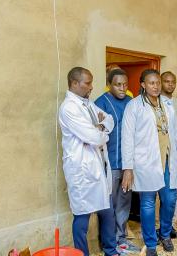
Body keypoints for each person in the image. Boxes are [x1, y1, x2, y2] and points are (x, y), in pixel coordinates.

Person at [121, 69, 177, 256]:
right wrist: (128, 168)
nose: (156, 86)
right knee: (147, 203)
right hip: (146, 162)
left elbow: (176, 134)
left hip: (167, 160)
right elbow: (127, 138)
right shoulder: (134, 106)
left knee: (169, 200)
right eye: (151, 83)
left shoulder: (167, 105)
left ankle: (165, 234)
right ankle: (151, 243)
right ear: (143, 85)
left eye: (157, 83)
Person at [58, 67, 120, 256]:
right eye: (88, 83)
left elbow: (109, 120)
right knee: (82, 217)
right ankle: (81, 254)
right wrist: (99, 132)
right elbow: (93, 137)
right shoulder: (69, 107)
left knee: (107, 211)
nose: (91, 87)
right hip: (82, 170)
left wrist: (99, 126)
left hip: (99, 166)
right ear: (74, 83)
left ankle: (111, 250)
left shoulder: (88, 104)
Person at [94, 69, 140, 254]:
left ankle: (121, 239)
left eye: (125, 84)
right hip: (110, 162)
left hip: (127, 163)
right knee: (108, 205)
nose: (122, 88)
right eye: (117, 84)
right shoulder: (100, 103)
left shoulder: (132, 103)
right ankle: (108, 243)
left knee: (124, 203)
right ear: (108, 84)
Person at [160, 71, 177, 240]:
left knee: (170, 197)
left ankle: (167, 228)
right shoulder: (155, 103)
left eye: (172, 81)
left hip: (174, 155)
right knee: (153, 197)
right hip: (157, 156)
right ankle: (159, 230)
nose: (170, 84)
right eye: (166, 81)